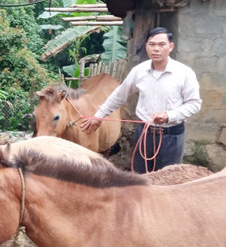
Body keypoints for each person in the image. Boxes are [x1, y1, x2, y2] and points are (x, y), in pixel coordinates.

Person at [79, 27, 201, 173]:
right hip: (145, 133)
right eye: (152, 44)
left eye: (161, 45)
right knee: (140, 178)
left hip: (171, 135)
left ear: (171, 47)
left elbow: (195, 104)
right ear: (147, 47)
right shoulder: (139, 71)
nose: (156, 49)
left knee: (169, 179)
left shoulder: (184, 73)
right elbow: (119, 95)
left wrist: (169, 116)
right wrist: (98, 116)